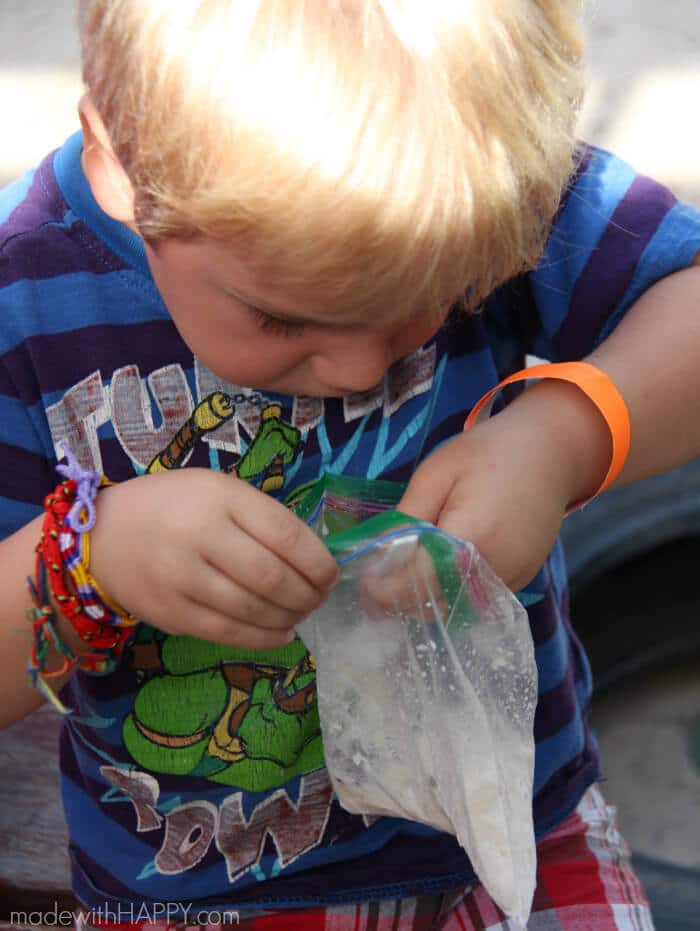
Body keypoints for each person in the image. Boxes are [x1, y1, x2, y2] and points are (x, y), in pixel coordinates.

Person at [1, 1, 699, 928]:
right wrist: (94, 557)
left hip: (508, 829)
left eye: (436, 296)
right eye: (284, 318)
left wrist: (566, 435)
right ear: (122, 157)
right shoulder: (25, 299)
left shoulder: (461, 162)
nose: (363, 368)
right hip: (194, 890)